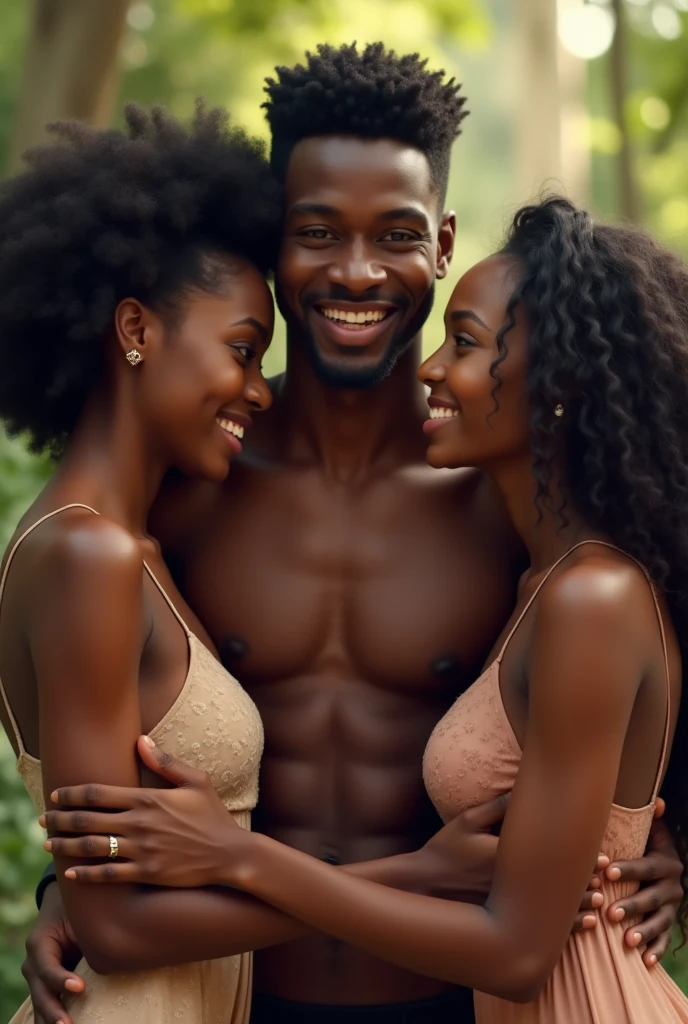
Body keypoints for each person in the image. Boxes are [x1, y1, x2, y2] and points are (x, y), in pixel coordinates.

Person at [24, 46, 684, 1024]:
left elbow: (636, 667)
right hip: (241, 999)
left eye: (398, 234)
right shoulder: (193, 483)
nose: (358, 270)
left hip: (451, 998)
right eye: (317, 232)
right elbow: (108, 740)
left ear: (445, 241)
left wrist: (662, 845)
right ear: (274, 244)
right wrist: (69, 894)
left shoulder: (504, 503)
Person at [0, 102, 285, 1024]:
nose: (258, 389)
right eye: (243, 350)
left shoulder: (134, 542)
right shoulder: (88, 552)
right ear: (136, 330)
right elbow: (112, 924)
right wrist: (415, 883)